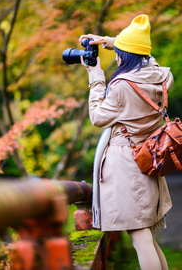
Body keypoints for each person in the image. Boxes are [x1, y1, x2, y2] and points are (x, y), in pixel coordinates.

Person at [79, 15, 173, 270]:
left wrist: (96, 77)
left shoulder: (122, 86)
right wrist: (111, 42)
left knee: (140, 238)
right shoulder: (163, 77)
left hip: (127, 164)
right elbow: (148, 59)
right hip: (148, 156)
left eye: (119, 51)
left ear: (125, 55)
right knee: (147, 238)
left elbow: (97, 117)